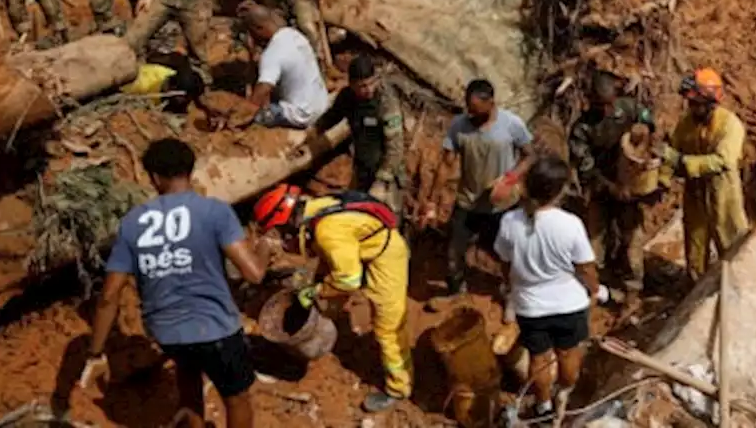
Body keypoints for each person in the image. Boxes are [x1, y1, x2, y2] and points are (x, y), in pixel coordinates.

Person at [81, 138, 267, 428]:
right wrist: (266, 247)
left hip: (167, 332)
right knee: (236, 398)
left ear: (155, 177)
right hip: (215, 328)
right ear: (190, 170)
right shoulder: (214, 211)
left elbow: (109, 295)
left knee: (189, 388)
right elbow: (254, 273)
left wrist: (95, 351)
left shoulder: (133, 222)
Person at [253, 183, 411, 413]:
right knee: (326, 278)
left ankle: (398, 389)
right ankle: (324, 326)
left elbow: (349, 280)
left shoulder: (327, 231)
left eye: (279, 230)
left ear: (286, 219)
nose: (282, 236)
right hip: (363, 245)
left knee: (389, 327)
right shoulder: (315, 208)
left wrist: (316, 291)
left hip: (385, 256)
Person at [495, 156, 600, 419]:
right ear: (558, 190)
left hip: (530, 308)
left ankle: (543, 405)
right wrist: (595, 290)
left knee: (538, 359)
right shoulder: (570, 224)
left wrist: (515, 286)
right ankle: (564, 394)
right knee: (568, 353)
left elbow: (505, 263)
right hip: (569, 305)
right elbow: (586, 268)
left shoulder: (510, 222)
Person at [435, 79, 534, 294]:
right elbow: (446, 163)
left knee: (506, 252)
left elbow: (529, 155)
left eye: (477, 112)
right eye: (469, 111)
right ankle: (456, 292)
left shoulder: (512, 124)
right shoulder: (459, 125)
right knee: (454, 251)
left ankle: (510, 293)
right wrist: (433, 198)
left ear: (491, 103)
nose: (472, 116)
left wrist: (509, 179)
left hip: (501, 204)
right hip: (468, 202)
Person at [567, 70, 656, 294]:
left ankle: (632, 291)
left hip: (630, 185)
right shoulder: (582, 128)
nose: (605, 110)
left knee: (632, 239)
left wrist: (645, 131)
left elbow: (649, 120)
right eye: (599, 106)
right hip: (601, 188)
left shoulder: (629, 108)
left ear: (615, 98)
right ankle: (597, 288)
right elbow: (585, 167)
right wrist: (612, 188)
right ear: (589, 102)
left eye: (608, 104)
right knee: (595, 242)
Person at [662, 68, 749, 279]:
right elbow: (673, 148)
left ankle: (734, 292)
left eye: (696, 103)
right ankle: (696, 289)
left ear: (710, 102)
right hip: (695, 192)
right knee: (695, 244)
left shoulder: (730, 125)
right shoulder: (686, 123)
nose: (691, 107)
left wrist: (684, 162)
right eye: (690, 103)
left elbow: (724, 160)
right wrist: (663, 177)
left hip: (723, 191)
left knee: (731, 243)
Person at [312, 54, 407, 210]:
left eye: (372, 83)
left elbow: (395, 149)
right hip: (362, 169)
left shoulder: (386, 103)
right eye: (363, 86)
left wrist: (381, 182)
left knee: (384, 220)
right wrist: (312, 134)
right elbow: (330, 118)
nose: (369, 90)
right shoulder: (347, 98)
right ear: (352, 84)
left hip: (387, 175)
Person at [237, 3, 328, 129]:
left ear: (258, 28)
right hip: (322, 106)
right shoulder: (294, 34)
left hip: (302, 114)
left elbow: (263, 89)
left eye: (251, 32)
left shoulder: (272, 53)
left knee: (256, 117)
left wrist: (240, 114)